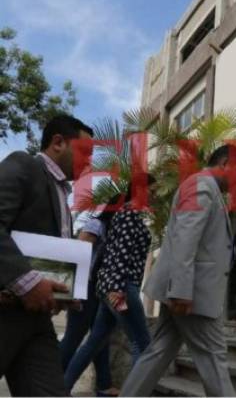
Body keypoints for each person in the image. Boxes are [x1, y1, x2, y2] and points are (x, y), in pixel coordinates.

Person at [120, 145, 236, 397]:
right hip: (192, 293)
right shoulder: (202, 185)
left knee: (160, 350)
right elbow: (186, 237)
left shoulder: (208, 188)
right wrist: (182, 289)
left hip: (186, 290)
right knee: (214, 356)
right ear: (226, 162)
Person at [0, 115, 93, 396]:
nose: (89, 162)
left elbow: (49, 254)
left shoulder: (62, 193)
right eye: (85, 152)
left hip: (37, 319)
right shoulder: (23, 165)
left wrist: (65, 291)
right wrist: (27, 282)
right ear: (58, 143)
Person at [64, 184, 153, 393]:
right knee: (142, 345)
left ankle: (62, 388)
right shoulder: (129, 213)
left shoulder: (123, 215)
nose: (156, 195)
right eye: (153, 190)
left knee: (95, 343)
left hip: (108, 288)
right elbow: (120, 253)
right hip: (120, 289)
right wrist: (116, 288)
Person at [60, 205, 120, 397]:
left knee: (99, 338)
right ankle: (55, 382)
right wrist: (74, 291)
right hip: (84, 287)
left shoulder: (115, 227)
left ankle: (103, 384)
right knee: (74, 336)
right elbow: (77, 255)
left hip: (98, 289)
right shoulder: (96, 224)